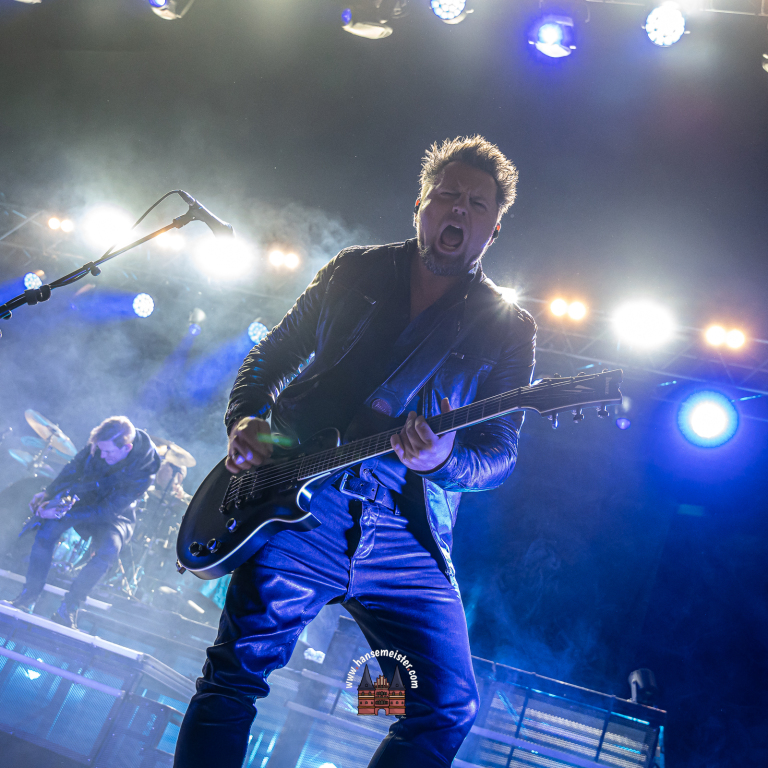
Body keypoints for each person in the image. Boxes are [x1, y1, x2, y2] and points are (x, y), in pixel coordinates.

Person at [174, 136, 537, 768]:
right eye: (447, 195)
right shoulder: (354, 270)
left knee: (447, 706)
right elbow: (273, 353)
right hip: (301, 504)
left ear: (494, 228)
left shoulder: (508, 326)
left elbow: (499, 454)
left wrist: (443, 461)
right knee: (235, 673)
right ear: (420, 205)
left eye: (477, 204)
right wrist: (247, 417)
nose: (459, 209)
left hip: (405, 530)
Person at [10, 416, 161, 628]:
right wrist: (49, 492)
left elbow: (107, 510)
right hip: (85, 498)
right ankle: (28, 596)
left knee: (109, 550)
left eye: (108, 452)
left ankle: (69, 608)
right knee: (47, 531)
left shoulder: (147, 468)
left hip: (116, 513)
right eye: (100, 450)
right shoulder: (100, 445)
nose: (103, 455)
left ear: (127, 448)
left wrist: (62, 514)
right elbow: (74, 467)